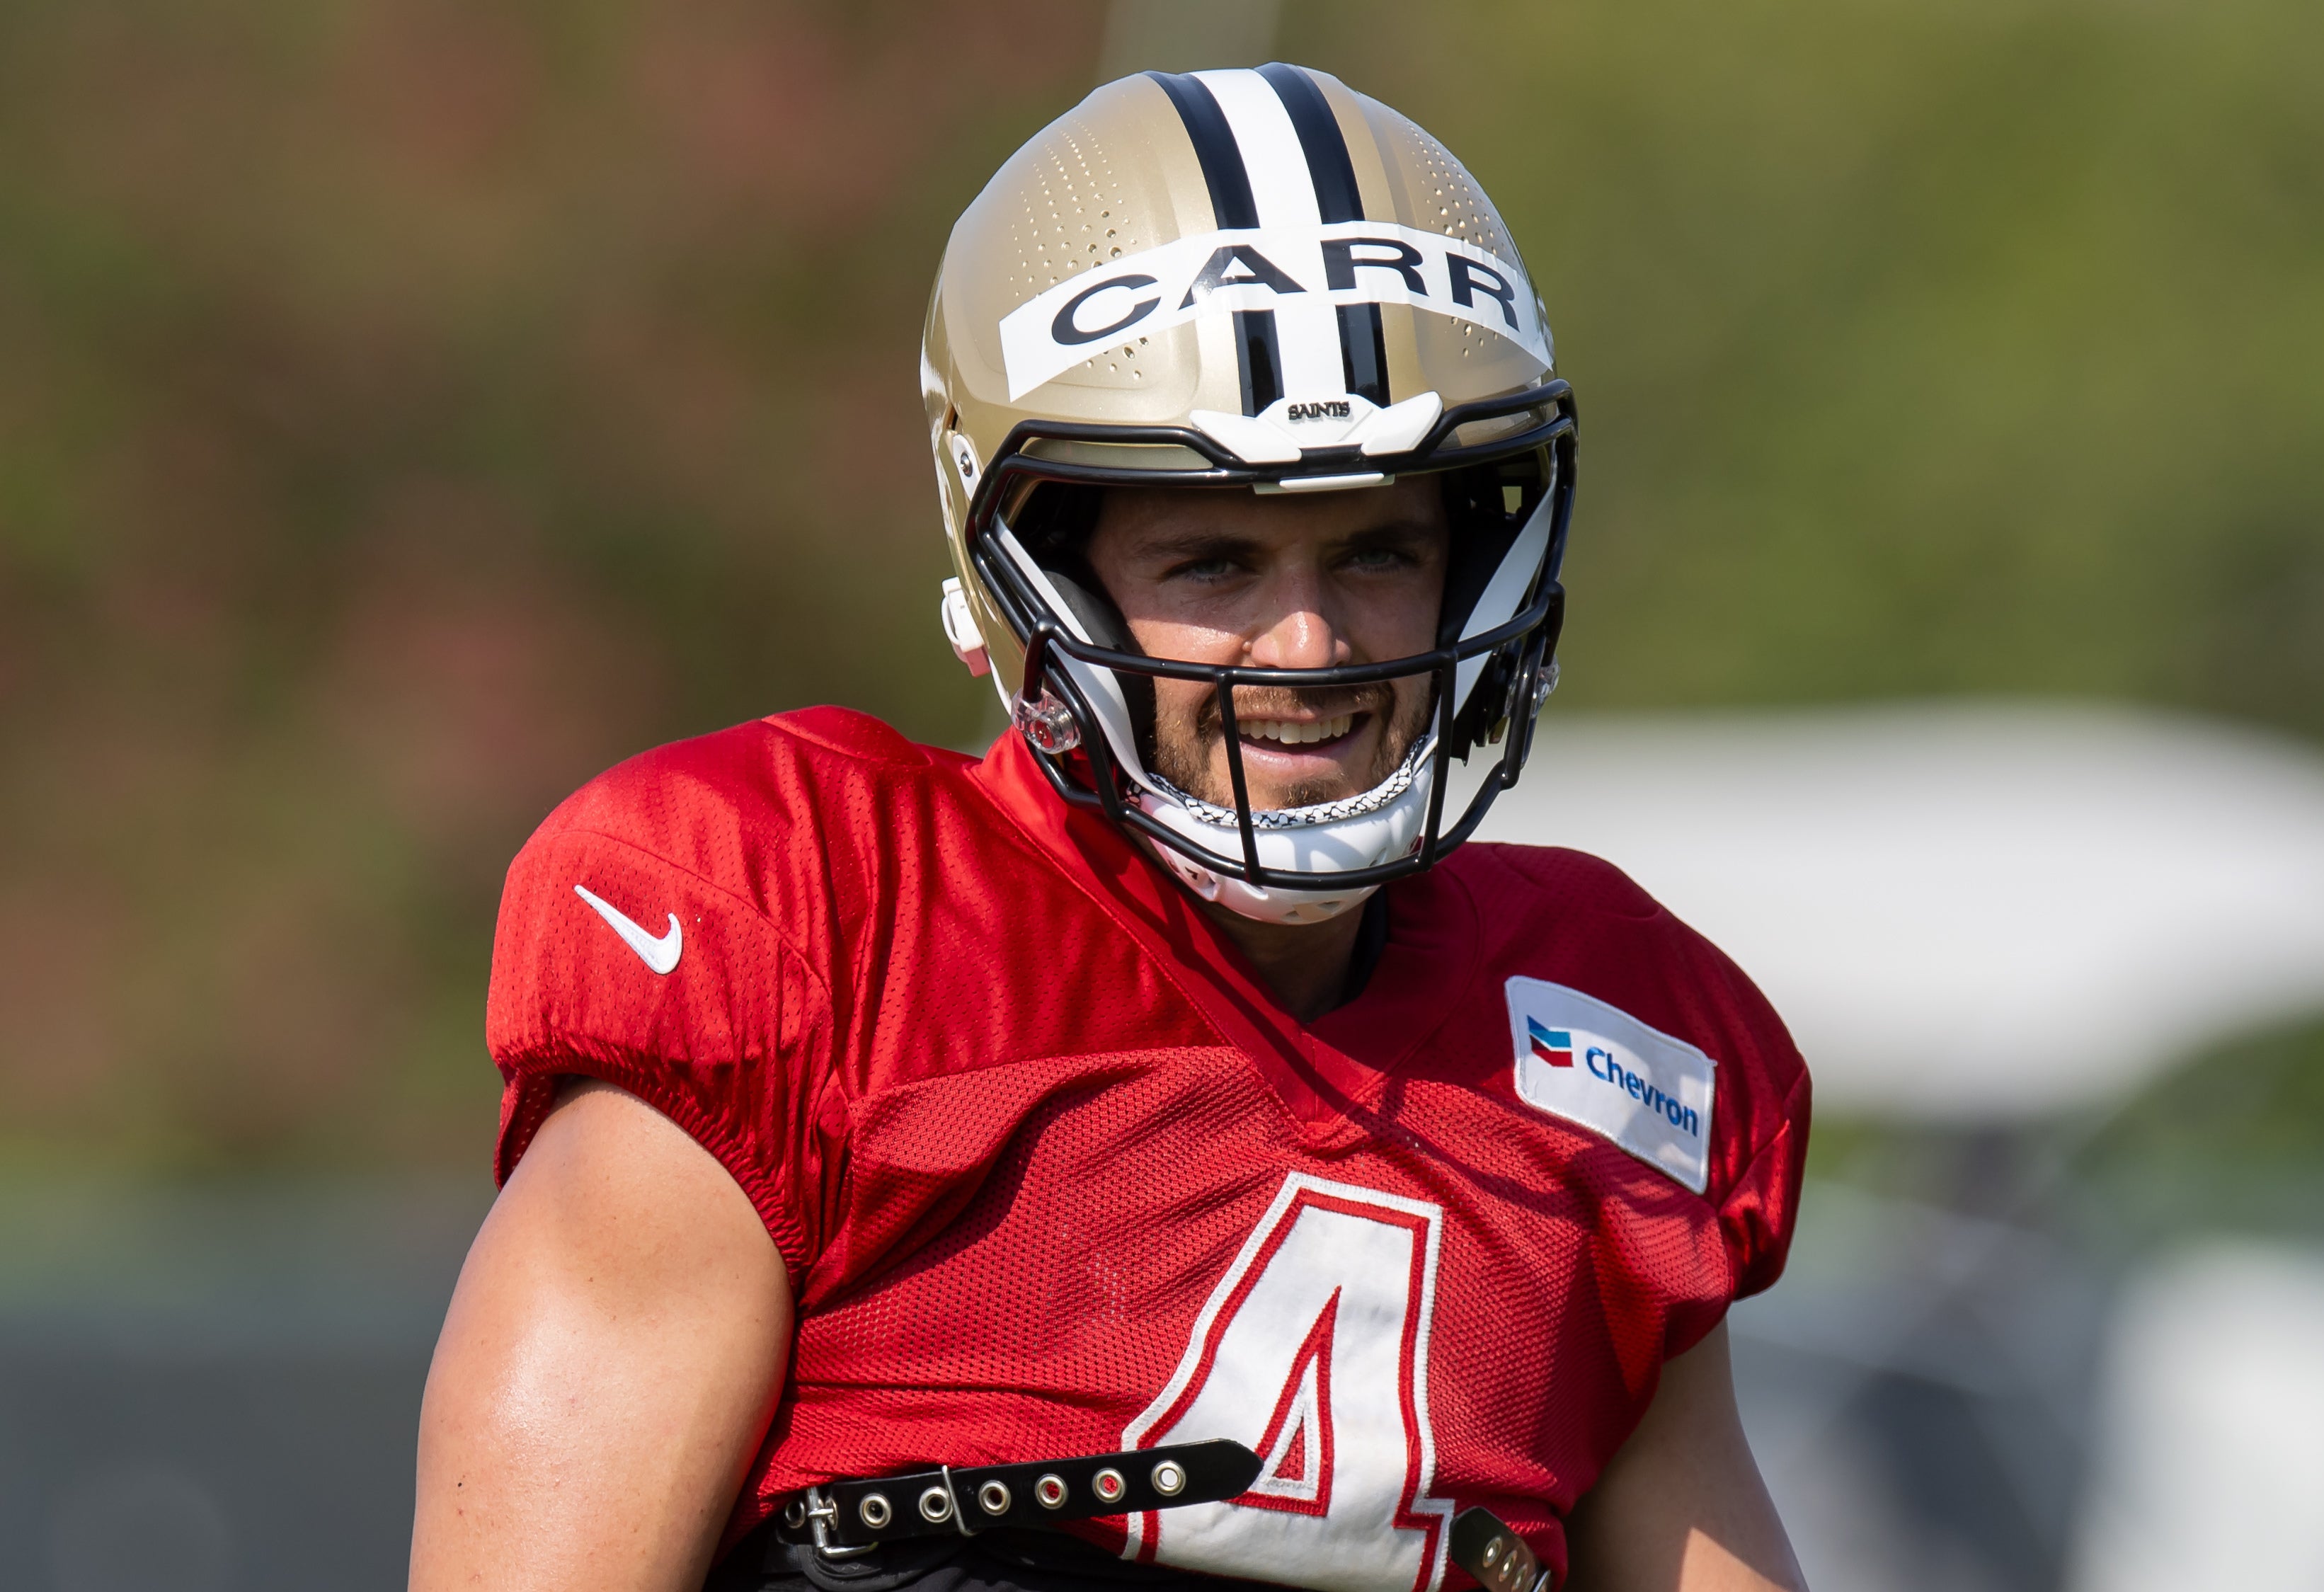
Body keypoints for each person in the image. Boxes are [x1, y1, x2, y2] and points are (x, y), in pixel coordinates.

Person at [411, 64, 1811, 1592]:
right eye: (1213, 562)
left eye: (1376, 552)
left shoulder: (1620, 1046)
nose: (1308, 646)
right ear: (1037, 579)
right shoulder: (813, 922)